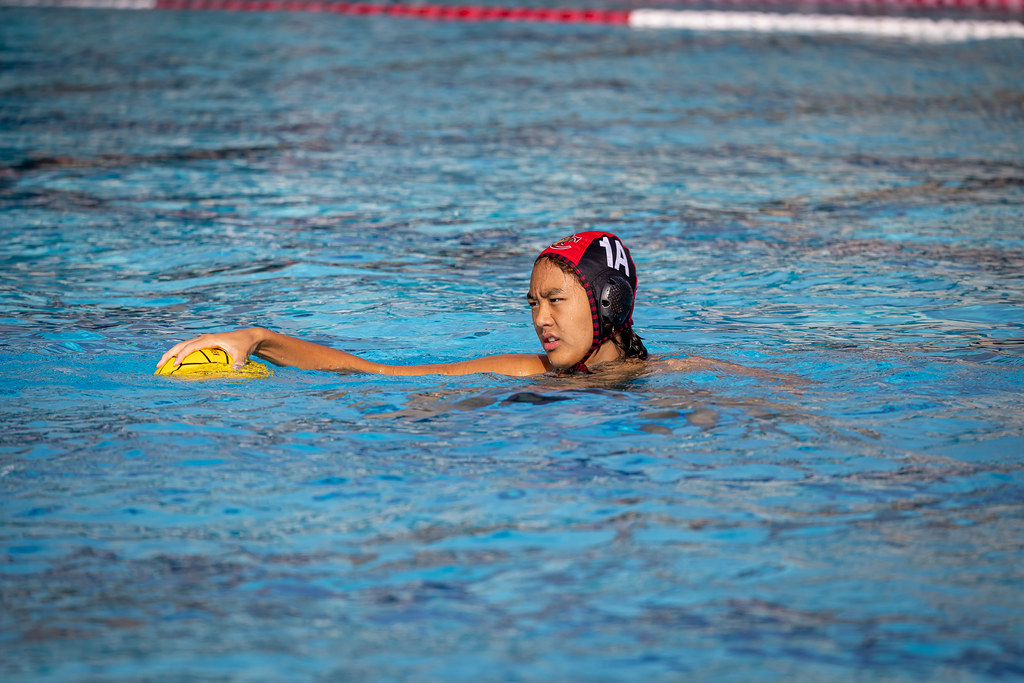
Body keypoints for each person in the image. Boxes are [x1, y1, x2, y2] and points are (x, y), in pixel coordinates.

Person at [159, 230, 768, 380]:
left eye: (555, 299)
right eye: (532, 303)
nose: (539, 319)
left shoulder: (676, 381)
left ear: (605, 302)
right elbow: (376, 374)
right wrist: (256, 337)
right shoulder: (524, 373)